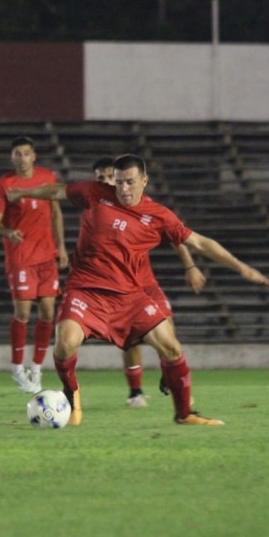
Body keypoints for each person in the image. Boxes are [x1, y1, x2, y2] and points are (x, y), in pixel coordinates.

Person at [8, 154, 269, 427]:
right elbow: (56, 190)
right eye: (119, 182)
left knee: (170, 346)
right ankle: (72, 397)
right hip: (86, 290)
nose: (123, 188)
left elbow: (200, 243)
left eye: (130, 182)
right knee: (64, 343)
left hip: (129, 297)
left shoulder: (158, 215)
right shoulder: (96, 193)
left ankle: (184, 414)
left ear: (144, 181)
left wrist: (241, 268)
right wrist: (23, 193)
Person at [91, 158, 206, 408]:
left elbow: (175, 236)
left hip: (145, 282)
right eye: (100, 179)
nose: (106, 182)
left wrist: (190, 266)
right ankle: (135, 391)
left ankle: (170, 374)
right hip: (118, 288)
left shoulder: (144, 206)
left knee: (168, 325)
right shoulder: (96, 208)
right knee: (131, 339)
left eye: (110, 177)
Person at [0, 136, 69, 394]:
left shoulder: (47, 177)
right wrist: (8, 232)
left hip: (47, 256)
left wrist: (62, 247)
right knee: (22, 314)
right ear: (12, 157)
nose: (22, 158)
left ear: (33, 156)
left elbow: (56, 213)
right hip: (21, 257)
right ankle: (16, 368)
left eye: (26, 153)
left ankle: (36, 368)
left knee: (48, 313)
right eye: (17, 154)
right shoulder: (5, 185)